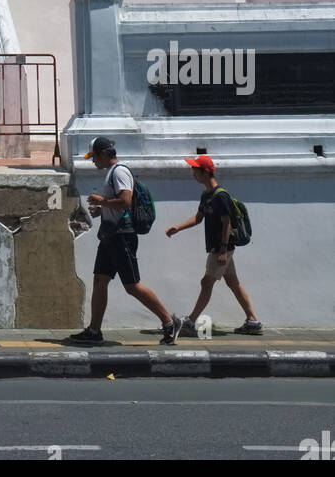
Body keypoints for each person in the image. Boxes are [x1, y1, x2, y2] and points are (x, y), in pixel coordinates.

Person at [65, 136, 181, 345]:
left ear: (102, 154)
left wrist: (104, 201)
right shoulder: (111, 173)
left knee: (132, 286)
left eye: (93, 157)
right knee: (100, 280)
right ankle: (94, 331)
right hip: (111, 235)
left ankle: (169, 321)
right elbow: (119, 204)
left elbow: (126, 201)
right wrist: (103, 209)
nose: (92, 162)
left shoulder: (119, 172)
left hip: (122, 237)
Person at [166, 154, 261, 336]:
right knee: (232, 283)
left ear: (206, 172)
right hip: (220, 248)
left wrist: (223, 250)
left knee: (206, 282)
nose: (193, 173)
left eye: (196, 170)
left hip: (221, 248)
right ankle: (253, 321)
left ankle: (191, 322)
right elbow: (198, 218)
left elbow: (227, 224)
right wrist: (178, 227)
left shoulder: (220, 196)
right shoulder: (206, 195)